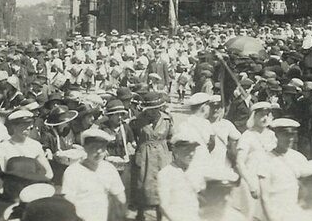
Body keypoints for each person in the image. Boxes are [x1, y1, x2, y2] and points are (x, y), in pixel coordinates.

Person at [62, 128, 126, 221]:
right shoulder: (73, 171)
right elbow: (67, 204)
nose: (99, 151)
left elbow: (120, 197)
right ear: (85, 148)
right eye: (94, 147)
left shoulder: (109, 169)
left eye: (102, 147)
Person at [130, 91, 173, 221]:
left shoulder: (167, 119)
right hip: (144, 157)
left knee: (161, 186)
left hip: (162, 156)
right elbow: (132, 138)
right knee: (143, 186)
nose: (153, 112)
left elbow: (171, 138)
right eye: (150, 110)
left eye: (156, 109)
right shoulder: (137, 121)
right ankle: (140, 215)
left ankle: (161, 216)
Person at [258, 118, 310, 221]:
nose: (290, 138)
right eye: (286, 134)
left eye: (293, 135)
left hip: (295, 211)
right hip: (274, 211)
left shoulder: (299, 158)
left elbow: (306, 188)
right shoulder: (264, 159)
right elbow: (264, 196)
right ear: (276, 135)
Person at [234, 101, 275, 220]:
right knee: (249, 215)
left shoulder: (272, 135)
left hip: (268, 179)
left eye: (267, 114)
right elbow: (240, 162)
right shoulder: (247, 135)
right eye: (261, 115)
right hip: (251, 180)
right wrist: (250, 183)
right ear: (254, 116)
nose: (265, 118)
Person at [157, 128, 205, 221]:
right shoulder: (166, 173)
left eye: (193, 149)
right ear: (175, 150)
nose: (191, 154)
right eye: (187, 150)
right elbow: (164, 206)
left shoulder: (196, 171)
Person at [0, 109, 53, 181]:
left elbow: (49, 172)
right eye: (24, 125)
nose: (28, 128)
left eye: (29, 124)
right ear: (13, 126)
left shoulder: (35, 145)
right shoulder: (2, 148)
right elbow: (2, 175)